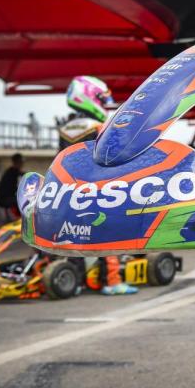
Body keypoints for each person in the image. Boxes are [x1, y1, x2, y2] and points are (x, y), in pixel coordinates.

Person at [59, 76, 136, 296]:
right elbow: (110, 158)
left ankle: (76, 278)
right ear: (89, 97)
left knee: (71, 235)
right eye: (101, 98)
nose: (104, 103)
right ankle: (112, 281)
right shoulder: (99, 127)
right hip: (94, 190)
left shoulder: (65, 127)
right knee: (109, 233)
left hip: (67, 190)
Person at [0, 152, 24, 220]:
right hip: (7, 199)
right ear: (18, 162)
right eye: (21, 162)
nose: (22, 164)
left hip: (7, 198)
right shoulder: (13, 172)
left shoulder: (11, 171)